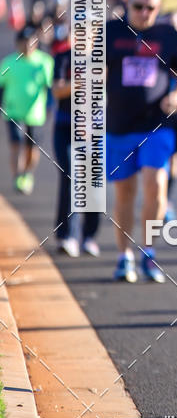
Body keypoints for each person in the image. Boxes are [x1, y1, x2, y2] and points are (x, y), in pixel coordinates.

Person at [105, 0, 177, 283]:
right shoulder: (111, 31)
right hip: (119, 125)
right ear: (128, 3)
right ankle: (124, 256)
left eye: (150, 8)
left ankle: (149, 252)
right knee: (125, 192)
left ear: (159, 7)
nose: (144, 13)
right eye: (138, 6)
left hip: (157, 125)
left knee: (156, 182)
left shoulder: (167, 34)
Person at [52, 27, 102, 257]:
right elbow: (57, 90)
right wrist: (81, 81)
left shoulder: (102, 61)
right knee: (70, 175)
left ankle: (89, 236)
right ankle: (67, 235)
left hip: (93, 129)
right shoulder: (63, 57)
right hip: (65, 125)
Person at [0, 25, 54, 194]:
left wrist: (49, 106)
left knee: (32, 147)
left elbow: (50, 87)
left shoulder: (45, 62)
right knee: (16, 144)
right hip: (13, 112)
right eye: (24, 42)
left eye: (31, 42)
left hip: (36, 113)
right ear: (18, 44)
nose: (27, 46)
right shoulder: (9, 63)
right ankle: (17, 176)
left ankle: (27, 173)